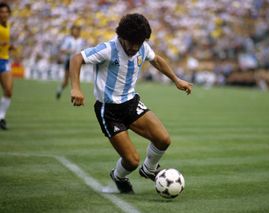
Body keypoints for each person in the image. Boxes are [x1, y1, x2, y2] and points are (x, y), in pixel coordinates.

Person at [69, 13, 192, 194]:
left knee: (163, 139)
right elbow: (76, 58)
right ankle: (119, 176)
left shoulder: (142, 46)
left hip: (131, 103)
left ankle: (149, 169)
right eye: (131, 42)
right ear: (121, 37)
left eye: (139, 43)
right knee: (132, 161)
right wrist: (76, 88)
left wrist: (176, 79)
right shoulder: (108, 49)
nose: (135, 47)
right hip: (109, 110)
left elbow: (156, 60)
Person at [56, 24, 85, 99]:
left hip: (78, 61)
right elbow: (62, 49)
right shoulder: (68, 40)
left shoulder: (81, 40)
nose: (76, 32)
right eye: (75, 30)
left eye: (77, 30)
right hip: (69, 60)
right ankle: (59, 90)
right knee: (66, 81)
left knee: (75, 79)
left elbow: (83, 50)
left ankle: (75, 95)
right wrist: (70, 51)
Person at [0, 2, 13, 130]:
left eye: (5, 12)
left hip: (4, 60)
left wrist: (9, 46)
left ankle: (1, 117)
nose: (4, 14)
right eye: (1, 12)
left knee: (8, 91)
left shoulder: (7, 26)